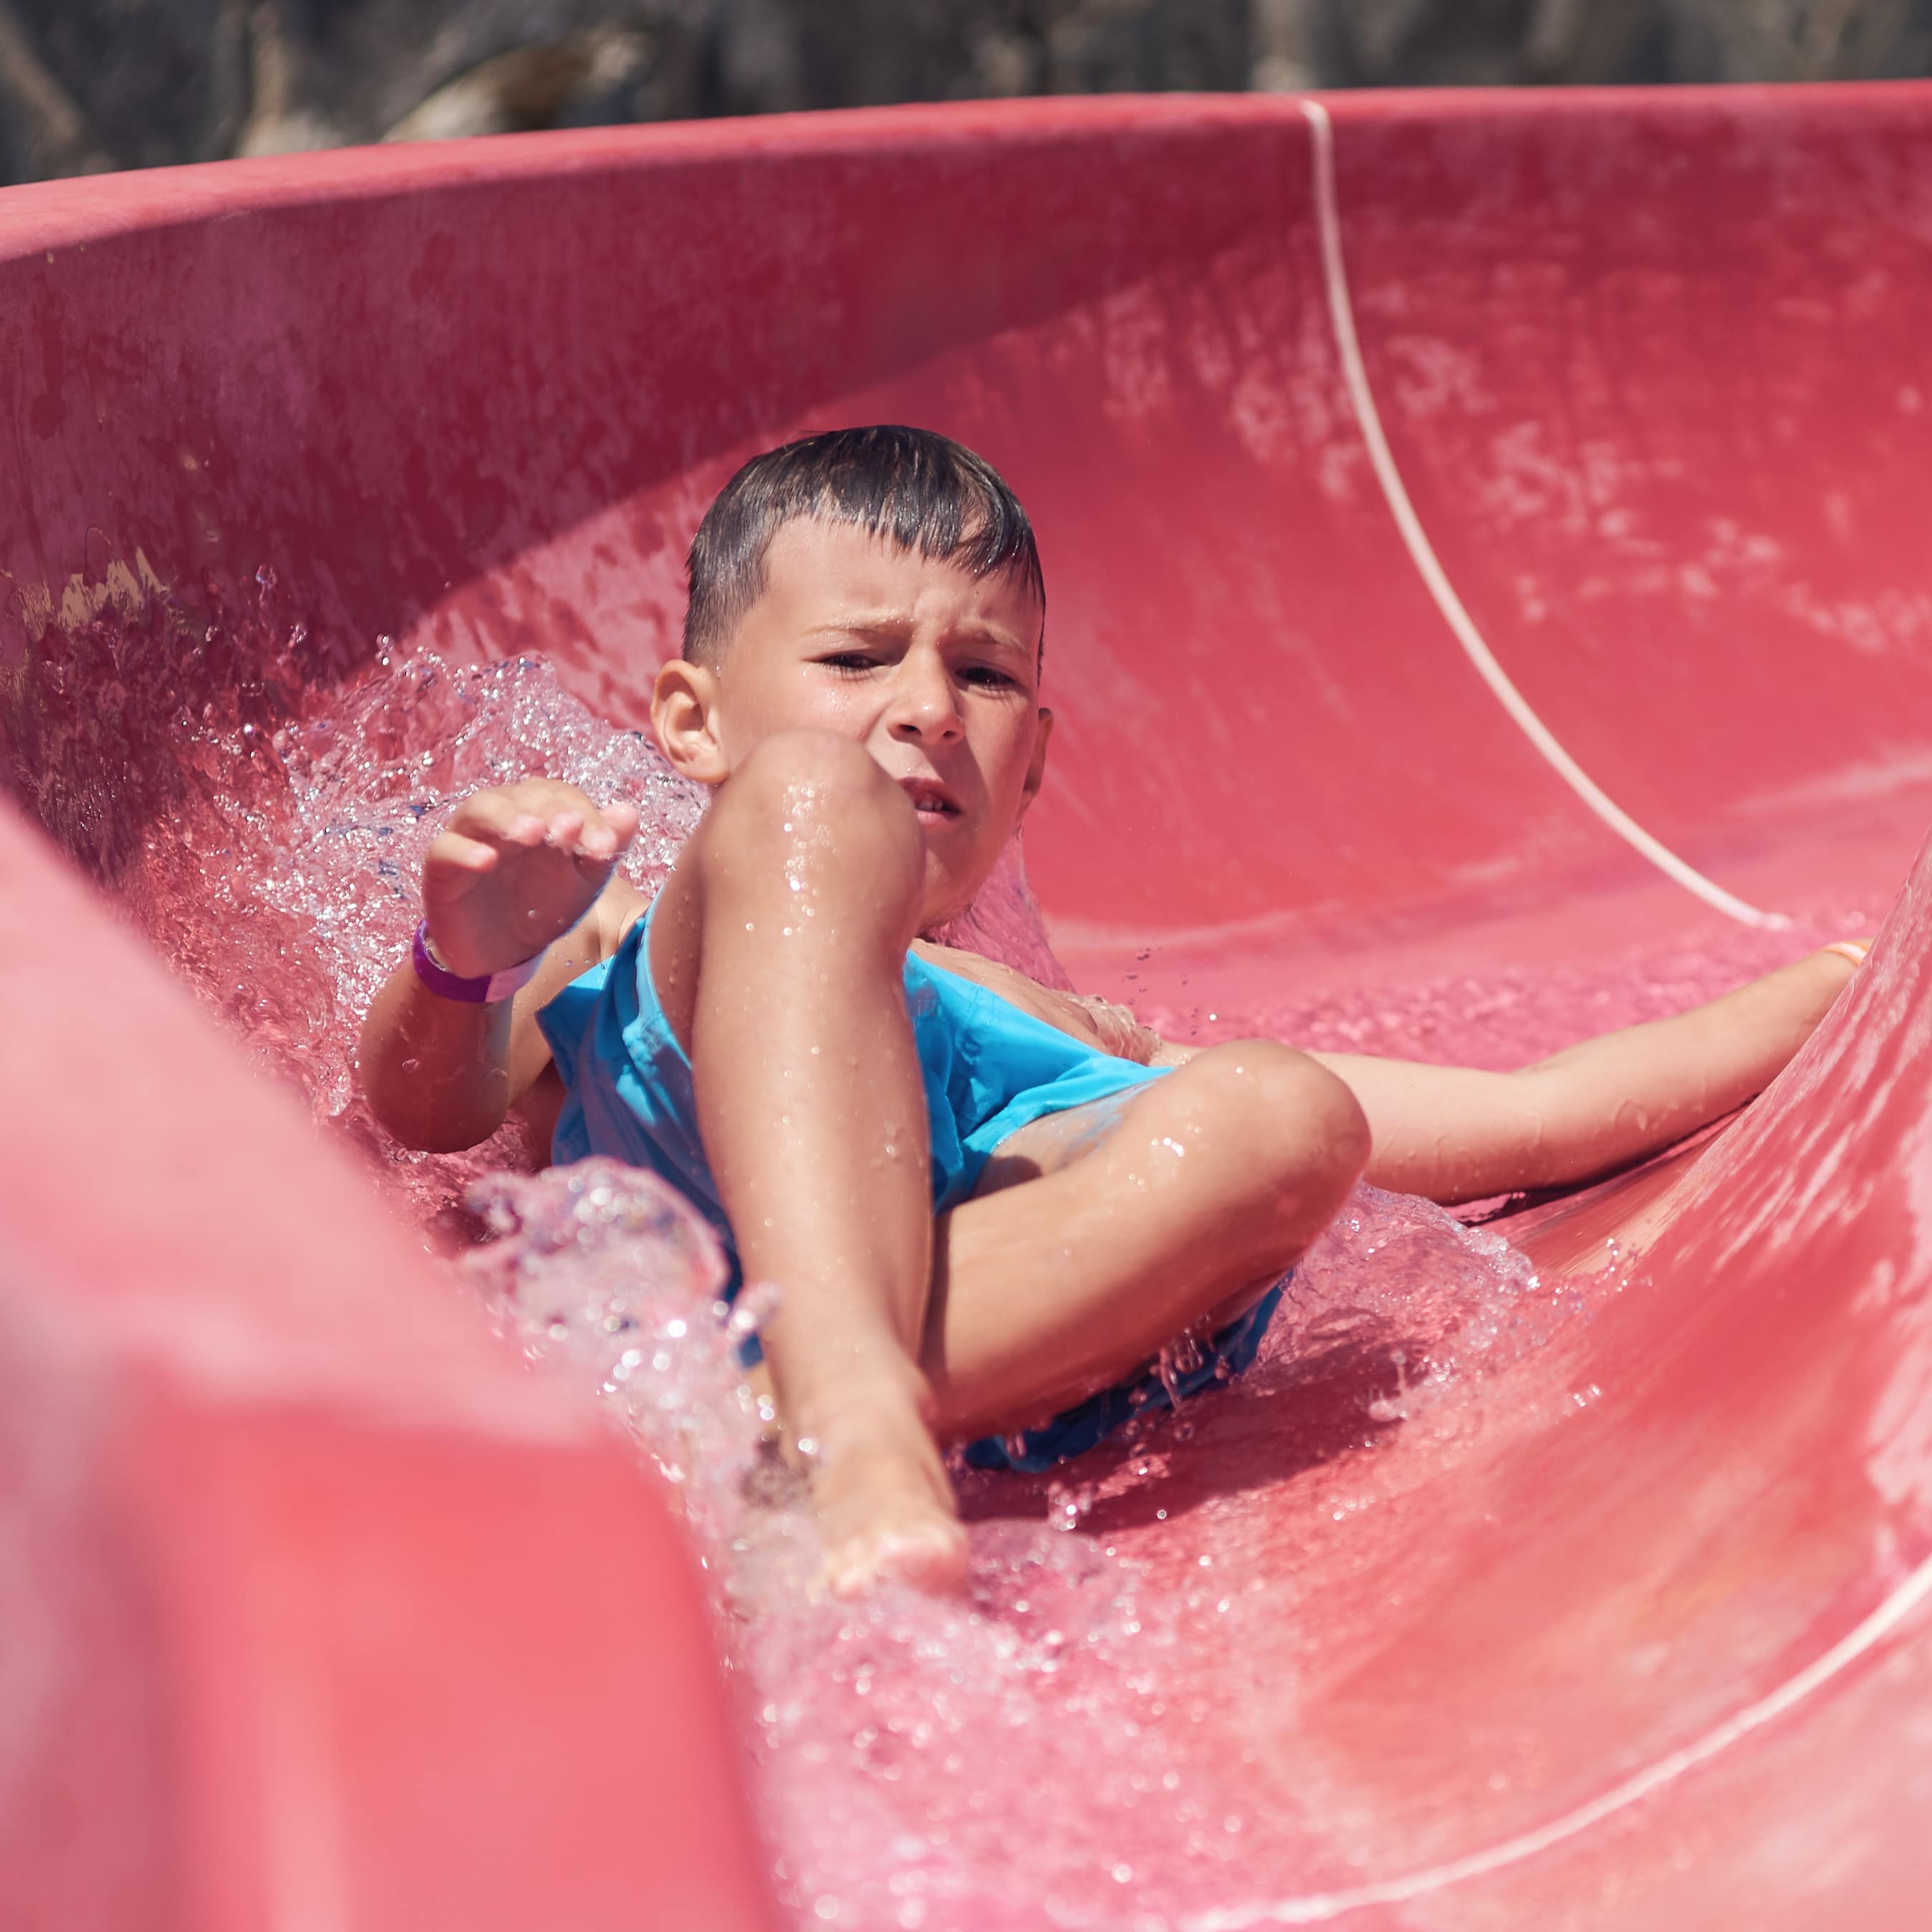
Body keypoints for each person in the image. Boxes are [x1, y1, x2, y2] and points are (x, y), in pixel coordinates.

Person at [360, 426, 1868, 1597]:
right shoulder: (627, 925)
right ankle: (849, 1409)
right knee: (812, 804)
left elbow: (1533, 1114)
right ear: (690, 719)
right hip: (818, 1367)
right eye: (853, 656)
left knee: (1285, 1111)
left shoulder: (1054, 1033)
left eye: (983, 673)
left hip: (881, 1346)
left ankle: (763, 1414)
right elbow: (428, 1111)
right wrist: (460, 962)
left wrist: (1850, 983)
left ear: (1034, 769)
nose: (923, 706)